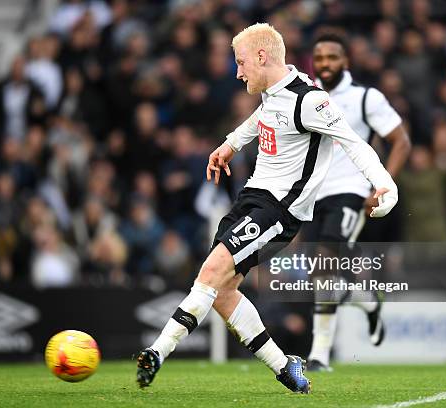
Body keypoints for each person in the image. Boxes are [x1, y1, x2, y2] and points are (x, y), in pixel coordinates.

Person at [135, 23, 398, 394]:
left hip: (279, 212)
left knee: (209, 273)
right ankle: (284, 366)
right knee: (223, 293)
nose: (238, 71)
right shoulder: (275, 92)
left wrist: (385, 184)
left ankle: (156, 352)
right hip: (250, 201)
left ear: (262, 57)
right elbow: (264, 119)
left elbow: (354, 143)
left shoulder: (311, 101)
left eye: (241, 62)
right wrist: (230, 144)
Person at [301, 33, 411, 372]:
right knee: (318, 277)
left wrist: (382, 185)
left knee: (325, 265)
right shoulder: (304, 97)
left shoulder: (365, 97)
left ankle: (319, 355)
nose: (325, 64)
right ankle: (366, 303)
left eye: (332, 57)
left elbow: (401, 141)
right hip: (311, 196)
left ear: (345, 61)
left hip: (350, 191)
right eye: (319, 58)